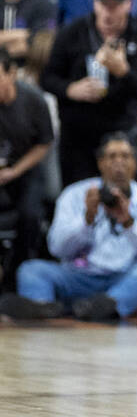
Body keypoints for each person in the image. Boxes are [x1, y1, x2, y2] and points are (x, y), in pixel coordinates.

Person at [0, 134, 137, 322]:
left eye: (125, 156)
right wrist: (87, 220)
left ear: (135, 163)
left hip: (127, 277)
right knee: (31, 270)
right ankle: (42, 307)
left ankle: (108, 305)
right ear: (100, 163)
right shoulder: (75, 195)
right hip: (80, 276)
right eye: (111, 156)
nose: (118, 162)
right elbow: (57, 249)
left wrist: (129, 223)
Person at [40, 0, 137, 186]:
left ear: (128, 5)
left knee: (120, 193)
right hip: (77, 134)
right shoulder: (72, 33)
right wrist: (70, 89)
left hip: (120, 133)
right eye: (103, 5)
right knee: (77, 194)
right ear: (94, 3)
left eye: (115, 6)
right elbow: (47, 78)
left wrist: (123, 72)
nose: (108, 13)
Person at [0, 47, 54, 272]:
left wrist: (15, 171)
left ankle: (22, 268)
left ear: (11, 73)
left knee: (30, 214)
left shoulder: (33, 100)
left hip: (25, 167)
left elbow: (44, 144)